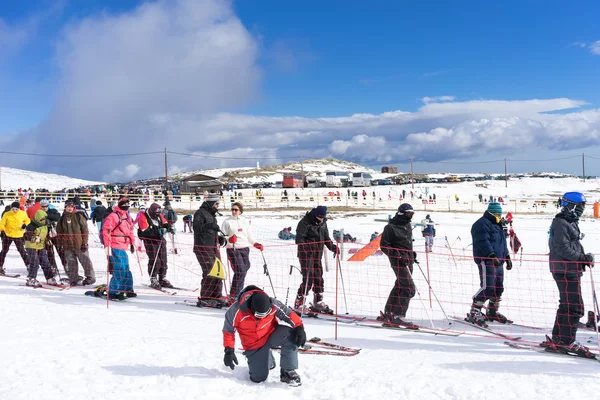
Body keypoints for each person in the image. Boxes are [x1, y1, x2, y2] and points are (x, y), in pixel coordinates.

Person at [541, 192, 595, 358]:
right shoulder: (561, 223)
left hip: (568, 268)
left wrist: (583, 259)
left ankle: (558, 337)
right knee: (575, 306)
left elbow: (572, 245)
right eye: (580, 207)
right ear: (571, 205)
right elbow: (562, 248)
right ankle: (567, 340)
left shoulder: (569, 222)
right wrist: (581, 258)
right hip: (565, 269)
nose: (582, 210)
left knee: (566, 304)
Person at [222, 285, 304, 386]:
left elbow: (288, 314)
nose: (263, 317)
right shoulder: (236, 310)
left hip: (271, 333)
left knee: (290, 334)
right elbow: (228, 331)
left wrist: (299, 327)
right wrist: (229, 350)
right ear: (251, 308)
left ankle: (288, 371)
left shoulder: (273, 303)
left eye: (266, 314)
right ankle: (266, 358)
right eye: (259, 315)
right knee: (258, 378)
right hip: (253, 344)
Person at [466, 202, 512, 327]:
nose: (499, 215)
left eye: (500, 213)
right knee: (488, 287)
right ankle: (474, 310)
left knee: (498, 288)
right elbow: (483, 242)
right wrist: (491, 255)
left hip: (499, 260)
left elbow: (502, 243)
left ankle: (492, 310)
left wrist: (507, 257)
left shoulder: (498, 224)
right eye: (497, 213)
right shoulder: (481, 224)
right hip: (487, 260)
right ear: (490, 212)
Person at [379, 203, 418, 328]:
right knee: (409, 288)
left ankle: (389, 311)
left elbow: (407, 243)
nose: (411, 217)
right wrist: (396, 255)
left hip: (408, 260)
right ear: (402, 213)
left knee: (401, 285)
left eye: (412, 214)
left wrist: (412, 254)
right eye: (409, 214)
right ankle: (398, 315)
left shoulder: (407, 225)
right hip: (398, 261)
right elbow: (384, 246)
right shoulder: (390, 227)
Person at [294, 206, 338, 313]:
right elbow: (299, 239)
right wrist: (308, 248)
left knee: (318, 276)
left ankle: (318, 301)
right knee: (308, 277)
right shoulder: (305, 222)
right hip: (306, 254)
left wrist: (332, 247)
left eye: (323, 217)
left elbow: (326, 238)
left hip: (318, 254)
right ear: (314, 214)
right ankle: (300, 301)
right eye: (319, 217)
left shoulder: (323, 223)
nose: (321, 219)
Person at [221, 202, 264, 302]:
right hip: (233, 248)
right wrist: (229, 239)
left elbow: (249, 235)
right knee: (240, 270)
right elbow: (221, 237)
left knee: (245, 268)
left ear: (240, 211)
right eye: (232, 209)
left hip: (244, 248)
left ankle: (238, 292)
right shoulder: (227, 221)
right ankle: (234, 294)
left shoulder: (244, 221)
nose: (234, 211)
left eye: (236, 210)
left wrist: (255, 243)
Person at [192, 193, 227, 307]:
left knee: (218, 270)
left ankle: (216, 296)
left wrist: (219, 238)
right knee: (210, 271)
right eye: (216, 204)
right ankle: (206, 297)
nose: (218, 206)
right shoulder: (200, 213)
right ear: (211, 203)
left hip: (212, 246)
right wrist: (209, 226)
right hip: (202, 247)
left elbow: (211, 231)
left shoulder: (212, 215)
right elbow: (196, 228)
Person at [101, 197, 137, 300]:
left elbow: (130, 231)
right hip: (114, 244)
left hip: (124, 245)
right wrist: (107, 245)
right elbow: (106, 231)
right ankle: (113, 290)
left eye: (127, 204)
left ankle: (127, 289)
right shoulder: (113, 216)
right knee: (120, 268)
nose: (126, 205)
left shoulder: (128, 216)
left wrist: (132, 243)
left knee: (126, 268)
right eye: (124, 204)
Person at [56, 199, 96, 286]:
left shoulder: (79, 217)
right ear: (65, 208)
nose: (69, 208)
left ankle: (90, 277)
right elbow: (59, 233)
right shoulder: (62, 219)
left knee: (86, 261)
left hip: (79, 244)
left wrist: (84, 242)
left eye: (71, 207)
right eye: (68, 207)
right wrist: (59, 244)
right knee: (71, 263)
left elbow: (85, 231)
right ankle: (74, 278)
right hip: (67, 245)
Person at [138, 203, 174, 289]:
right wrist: (158, 231)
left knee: (163, 259)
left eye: (158, 213)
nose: (157, 215)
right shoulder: (143, 217)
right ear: (151, 211)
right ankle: (153, 278)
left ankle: (162, 278)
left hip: (160, 240)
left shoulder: (159, 216)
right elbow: (144, 231)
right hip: (150, 241)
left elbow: (165, 223)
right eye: (156, 213)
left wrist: (169, 227)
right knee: (155, 260)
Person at [24, 210, 58, 287]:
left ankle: (49, 277)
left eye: (44, 219)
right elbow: (26, 237)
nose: (43, 221)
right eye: (41, 219)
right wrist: (35, 238)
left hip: (40, 245)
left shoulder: (47, 225)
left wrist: (47, 239)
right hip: (31, 245)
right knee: (35, 263)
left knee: (45, 262)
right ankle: (31, 279)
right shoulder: (31, 226)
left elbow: (47, 234)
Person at [0, 201, 30, 275]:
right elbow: (2, 223)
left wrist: (24, 225)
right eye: (13, 209)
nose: (14, 210)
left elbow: (27, 220)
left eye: (16, 209)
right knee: (4, 251)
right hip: (8, 235)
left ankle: (28, 265)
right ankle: (0, 266)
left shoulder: (23, 213)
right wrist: (2, 230)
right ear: (11, 208)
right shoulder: (7, 214)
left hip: (18, 235)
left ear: (18, 209)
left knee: (22, 251)